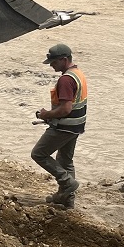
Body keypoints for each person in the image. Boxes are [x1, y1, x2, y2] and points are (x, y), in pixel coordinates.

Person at [31, 43, 87, 209]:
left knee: (39, 154)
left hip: (64, 127)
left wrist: (46, 114)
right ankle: (66, 199)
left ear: (64, 59)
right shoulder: (78, 74)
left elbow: (66, 108)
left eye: (54, 62)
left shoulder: (65, 80)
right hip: (76, 126)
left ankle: (67, 182)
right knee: (65, 160)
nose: (52, 66)